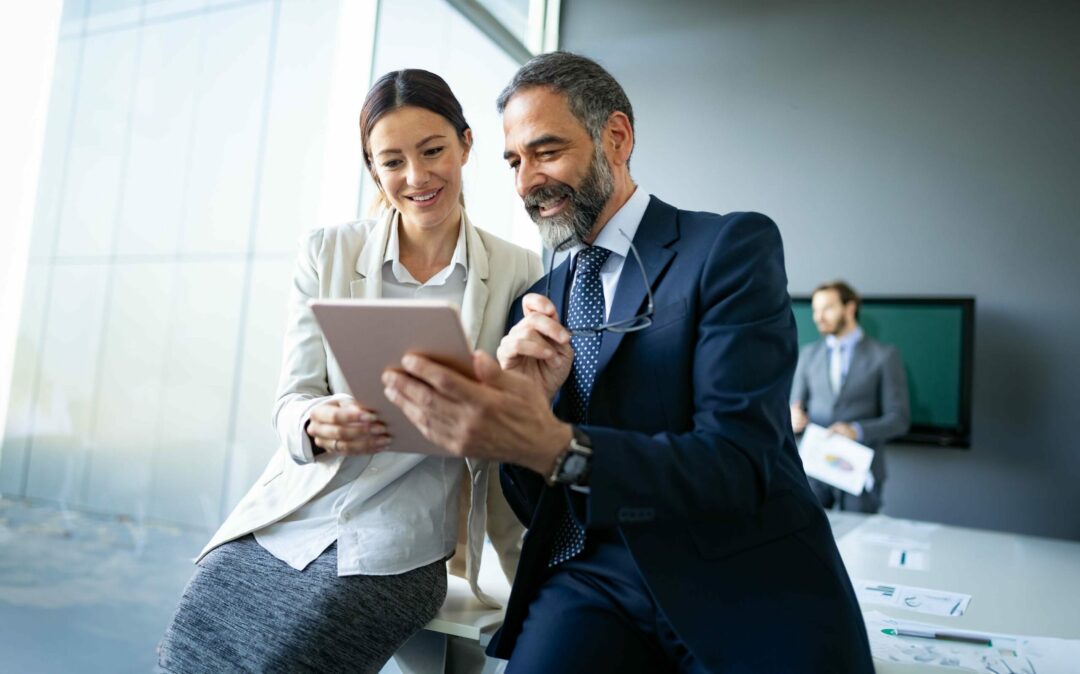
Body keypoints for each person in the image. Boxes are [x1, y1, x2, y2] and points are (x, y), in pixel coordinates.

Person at [380, 52, 873, 673]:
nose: (528, 181)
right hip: (589, 581)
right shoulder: (539, 298)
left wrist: (559, 444)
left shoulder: (727, 249)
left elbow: (740, 464)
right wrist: (523, 420)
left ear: (615, 137)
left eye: (547, 151)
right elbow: (540, 503)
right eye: (514, 162)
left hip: (735, 578)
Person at [156, 69, 542, 674]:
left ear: (467, 144)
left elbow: (516, 432)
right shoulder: (328, 252)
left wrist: (530, 583)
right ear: (373, 169)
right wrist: (315, 423)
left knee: (289, 659)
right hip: (295, 518)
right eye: (392, 161)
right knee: (189, 648)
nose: (416, 177)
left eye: (433, 150)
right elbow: (292, 397)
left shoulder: (519, 270)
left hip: (399, 544)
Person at [790, 280, 911, 513]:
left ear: (850, 307)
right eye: (816, 310)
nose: (818, 317)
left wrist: (856, 430)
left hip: (860, 473)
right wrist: (792, 419)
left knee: (859, 544)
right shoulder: (808, 355)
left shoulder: (884, 356)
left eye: (827, 308)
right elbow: (794, 408)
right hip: (815, 470)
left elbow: (899, 420)